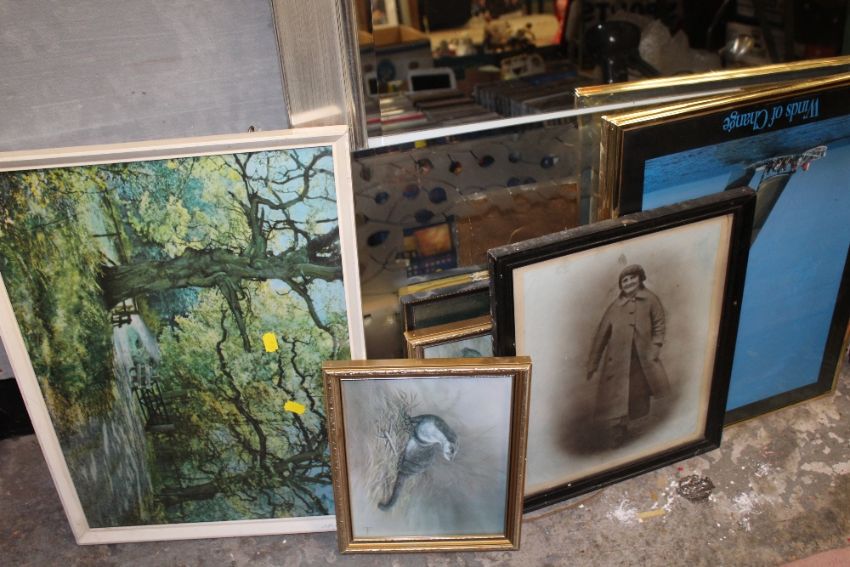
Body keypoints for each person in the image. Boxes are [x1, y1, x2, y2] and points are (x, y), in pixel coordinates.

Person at [586, 264, 670, 447]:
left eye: (633, 278)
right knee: (617, 396)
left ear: (640, 279)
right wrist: (593, 363)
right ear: (621, 285)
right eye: (625, 280)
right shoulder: (614, 307)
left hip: (640, 359)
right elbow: (601, 336)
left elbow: (659, 324)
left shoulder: (651, 300)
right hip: (617, 361)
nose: (629, 282)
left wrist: (655, 347)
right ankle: (618, 430)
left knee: (635, 393)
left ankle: (635, 429)